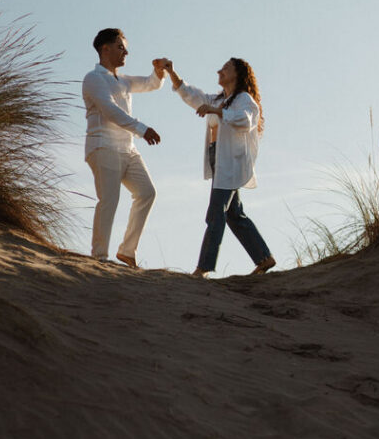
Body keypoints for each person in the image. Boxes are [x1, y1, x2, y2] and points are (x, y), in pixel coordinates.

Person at [163, 56, 276, 277]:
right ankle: (264, 257)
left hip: (231, 163)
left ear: (238, 74)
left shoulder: (243, 99)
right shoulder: (217, 99)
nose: (219, 71)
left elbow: (245, 120)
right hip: (218, 159)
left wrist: (217, 112)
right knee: (234, 214)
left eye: (226, 68)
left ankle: (203, 267)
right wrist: (171, 72)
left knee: (216, 214)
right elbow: (192, 95)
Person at [82, 28, 167, 268]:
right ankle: (99, 256)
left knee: (147, 192)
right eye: (120, 47)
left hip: (127, 149)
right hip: (103, 146)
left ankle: (127, 251)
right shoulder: (93, 78)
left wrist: (159, 70)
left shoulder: (124, 80)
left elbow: (151, 84)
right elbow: (109, 110)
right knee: (109, 199)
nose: (125, 52)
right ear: (105, 49)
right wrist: (142, 129)